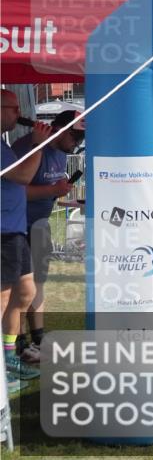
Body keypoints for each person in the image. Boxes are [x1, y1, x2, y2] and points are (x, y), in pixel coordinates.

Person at [11, 109, 83, 365]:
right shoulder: (28, 147)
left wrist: (61, 193)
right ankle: (18, 345)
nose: (78, 144)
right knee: (20, 289)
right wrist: (53, 189)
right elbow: (16, 189)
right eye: (76, 137)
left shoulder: (61, 154)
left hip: (40, 224)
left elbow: (50, 191)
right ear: (61, 129)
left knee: (38, 284)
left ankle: (38, 339)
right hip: (18, 226)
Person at [1, 90, 50, 389]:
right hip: (3, 231)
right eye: (12, 108)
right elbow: (24, 176)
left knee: (25, 292)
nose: (17, 113)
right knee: (4, 296)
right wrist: (39, 145)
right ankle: (3, 364)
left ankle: (9, 355)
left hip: (13, 230)